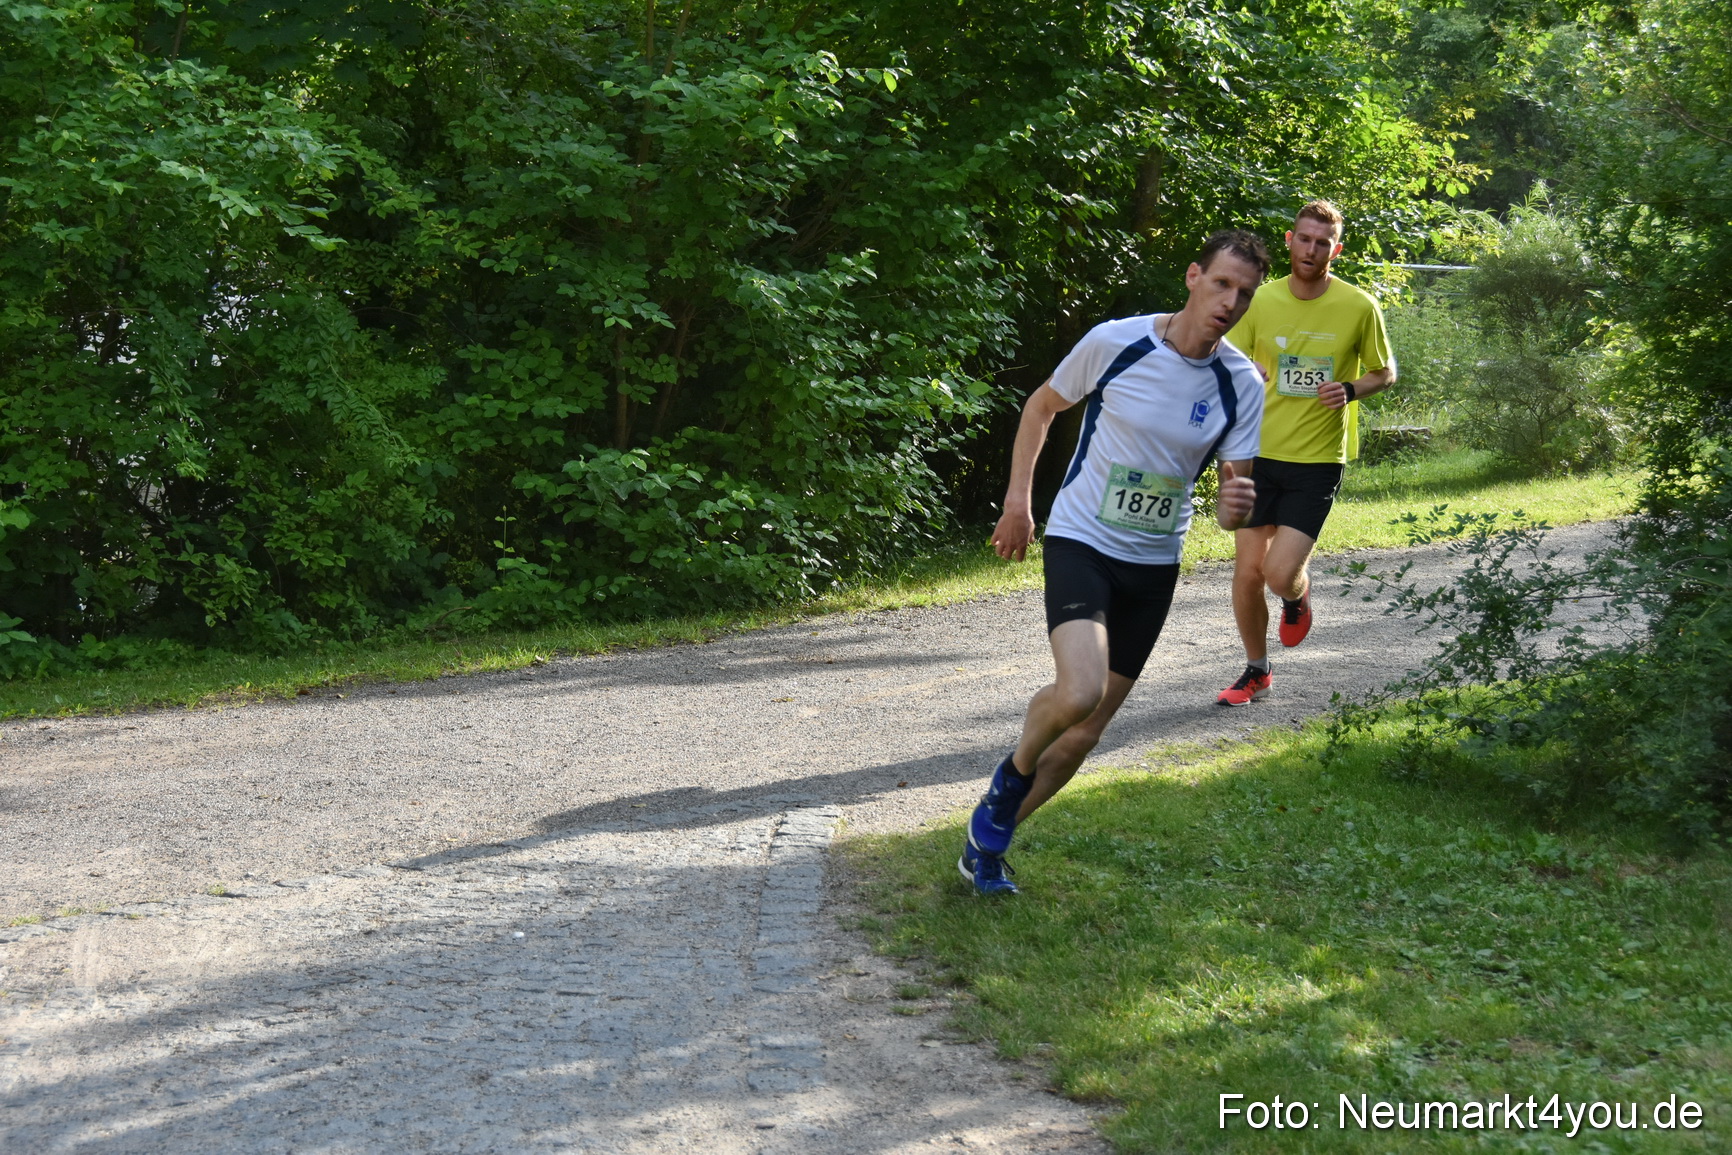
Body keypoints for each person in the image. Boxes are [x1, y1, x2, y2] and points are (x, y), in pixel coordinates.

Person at [962, 229, 1270, 896]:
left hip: (1154, 563)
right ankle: (1009, 776)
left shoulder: (1242, 383)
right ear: (1193, 276)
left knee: (1083, 735)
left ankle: (989, 841)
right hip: (1083, 539)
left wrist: (1236, 505)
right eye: (1221, 283)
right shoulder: (1117, 341)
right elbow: (1041, 407)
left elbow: (1229, 503)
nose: (1230, 301)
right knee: (1079, 692)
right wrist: (1018, 501)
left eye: (1244, 293)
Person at [1215, 200, 1396, 707]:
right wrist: (1247, 373)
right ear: (1290, 240)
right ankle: (1256, 670)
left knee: (1277, 575)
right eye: (1305, 239)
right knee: (1248, 573)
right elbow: (1224, 359)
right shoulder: (1260, 299)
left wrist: (1351, 389)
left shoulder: (1359, 306)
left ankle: (1296, 596)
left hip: (1317, 460)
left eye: (1323, 242)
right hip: (1255, 454)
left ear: (1335, 250)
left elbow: (1385, 372)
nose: (1312, 249)